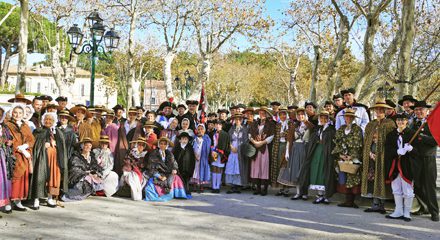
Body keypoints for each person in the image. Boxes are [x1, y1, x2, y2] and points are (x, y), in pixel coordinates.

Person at [362, 100, 396, 214]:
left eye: (381, 110)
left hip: (383, 156)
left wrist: (381, 153)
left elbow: (391, 141)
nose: (379, 112)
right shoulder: (370, 124)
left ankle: (381, 204)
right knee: (372, 178)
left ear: (385, 111)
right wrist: (369, 153)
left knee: (381, 178)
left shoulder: (390, 123)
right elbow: (366, 140)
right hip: (370, 155)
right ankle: (375, 203)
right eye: (377, 110)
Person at [29, 112, 68, 210]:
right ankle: (36, 200)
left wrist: (55, 144)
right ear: (42, 120)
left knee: (53, 177)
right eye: (46, 119)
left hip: (55, 159)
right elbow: (35, 145)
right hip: (42, 158)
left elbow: (62, 146)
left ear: (54, 121)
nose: (48, 121)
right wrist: (43, 144)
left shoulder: (57, 132)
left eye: (50, 120)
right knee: (40, 177)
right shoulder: (38, 131)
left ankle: (50, 198)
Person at [385, 113, 417, 222]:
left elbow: (418, 153)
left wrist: (411, 149)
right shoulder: (391, 135)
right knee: (396, 189)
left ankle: (407, 212)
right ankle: (398, 210)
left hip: (407, 166)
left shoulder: (412, 134)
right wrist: (397, 151)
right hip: (394, 165)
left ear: (407, 121)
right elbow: (387, 150)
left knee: (408, 190)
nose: (400, 122)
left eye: (403, 120)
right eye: (398, 120)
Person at [410, 101, 439, 222]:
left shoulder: (432, 124)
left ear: (427, 111)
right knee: (417, 185)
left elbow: (436, 140)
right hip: (416, 158)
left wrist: (421, 137)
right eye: (416, 110)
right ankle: (424, 206)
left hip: (428, 158)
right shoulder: (412, 123)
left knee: (429, 186)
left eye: (421, 109)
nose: (418, 112)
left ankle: (434, 212)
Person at [301, 111, 336, 204]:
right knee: (317, 172)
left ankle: (326, 195)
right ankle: (319, 195)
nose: (323, 120)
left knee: (325, 173)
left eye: (325, 118)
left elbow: (332, 143)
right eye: (321, 118)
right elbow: (312, 140)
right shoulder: (317, 129)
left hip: (326, 154)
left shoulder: (331, 130)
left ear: (328, 119)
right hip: (316, 153)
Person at [278, 108, 313, 200]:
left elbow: (313, 137)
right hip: (295, 149)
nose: (300, 116)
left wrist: (306, 121)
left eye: (302, 114)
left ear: (305, 116)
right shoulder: (294, 126)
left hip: (305, 149)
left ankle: (304, 193)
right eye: (299, 115)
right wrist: (287, 152)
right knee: (295, 170)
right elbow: (289, 140)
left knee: (304, 171)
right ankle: (298, 192)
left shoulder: (310, 126)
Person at [5, 105, 35, 211]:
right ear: (12, 113)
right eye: (15, 112)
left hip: (24, 156)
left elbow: (31, 139)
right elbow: (7, 140)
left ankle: (18, 201)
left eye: (20, 113)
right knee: (12, 179)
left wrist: (26, 146)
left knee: (22, 180)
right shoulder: (7, 125)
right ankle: (8, 202)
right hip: (12, 155)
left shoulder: (25, 125)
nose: (17, 115)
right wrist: (20, 149)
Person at [332, 109, 363, 208]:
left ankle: (352, 201)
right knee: (343, 178)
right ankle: (347, 200)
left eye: (350, 117)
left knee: (352, 177)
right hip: (342, 157)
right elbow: (337, 141)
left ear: (353, 118)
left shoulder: (357, 129)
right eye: (346, 117)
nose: (348, 118)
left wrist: (351, 156)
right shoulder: (341, 128)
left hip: (352, 157)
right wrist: (340, 154)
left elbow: (358, 144)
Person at [144, 137, 189, 201]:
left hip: (168, 173)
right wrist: (159, 176)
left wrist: (174, 169)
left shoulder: (169, 153)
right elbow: (151, 167)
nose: (163, 145)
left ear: (167, 145)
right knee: (151, 183)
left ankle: (178, 194)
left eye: (165, 144)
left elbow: (174, 163)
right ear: (159, 145)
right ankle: (162, 194)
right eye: (161, 144)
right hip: (157, 173)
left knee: (177, 178)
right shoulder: (154, 154)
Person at [249, 106, 275, 196]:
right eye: (260, 113)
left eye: (263, 113)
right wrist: (254, 142)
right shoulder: (255, 123)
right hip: (255, 148)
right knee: (256, 167)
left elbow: (271, 136)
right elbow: (250, 135)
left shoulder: (271, 124)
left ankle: (265, 188)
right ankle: (258, 187)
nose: (262, 114)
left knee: (264, 167)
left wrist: (262, 143)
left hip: (265, 148)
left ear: (267, 114)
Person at [225, 113, 249, 194]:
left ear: (242, 120)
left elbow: (245, 141)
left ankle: (238, 186)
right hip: (232, 150)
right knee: (232, 167)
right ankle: (232, 186)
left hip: (240, 151)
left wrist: (238, 149)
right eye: (236, 119)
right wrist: (231, 147)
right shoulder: (232, 129)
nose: (238, 121)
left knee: (239, 168)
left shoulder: (244, 129)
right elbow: (228, 139)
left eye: (239, 119)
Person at [271, 108, 292, 194]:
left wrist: (285, 134)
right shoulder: (278, 125)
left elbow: (292, 136)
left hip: (287, 147)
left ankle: (286, 187)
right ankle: (281, 187)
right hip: (278, 146)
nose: (283, 116)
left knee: (286, 167)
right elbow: (275, 137)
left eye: (284, 114)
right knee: (279, 166)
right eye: (281, 114)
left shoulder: (291, 124)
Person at [0, 108, 14, 214]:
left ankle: (3, 203)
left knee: (3, 179)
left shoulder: (4, 127)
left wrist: (9, 141)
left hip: (2, 156)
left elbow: (10, 138)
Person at [210, 120, 230, 193]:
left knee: (219, 169)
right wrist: (212, 150)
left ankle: (217, 186)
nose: (218, 126)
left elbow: (226, 144)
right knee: (214, 168)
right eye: (216, 124)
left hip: (221, 153)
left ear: (221, 126)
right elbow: (211, 143)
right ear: (215, 126)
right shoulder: (213, 133)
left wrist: (221, 151)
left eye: (219, 124)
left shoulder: (225, 134)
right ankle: (213, 186)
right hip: (213, 153)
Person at [191, 124, 212, 193]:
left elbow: (208, 147)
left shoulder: (207, 138)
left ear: (204, 130)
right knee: (195, 171)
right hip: (195, 157)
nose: (200, 131)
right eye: (199, 129)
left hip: (203, 157)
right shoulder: (194, 138)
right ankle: (195, 184)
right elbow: (192, 147)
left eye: (202, 129)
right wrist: (195, 154)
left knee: (202, 170)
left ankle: (201, 185)